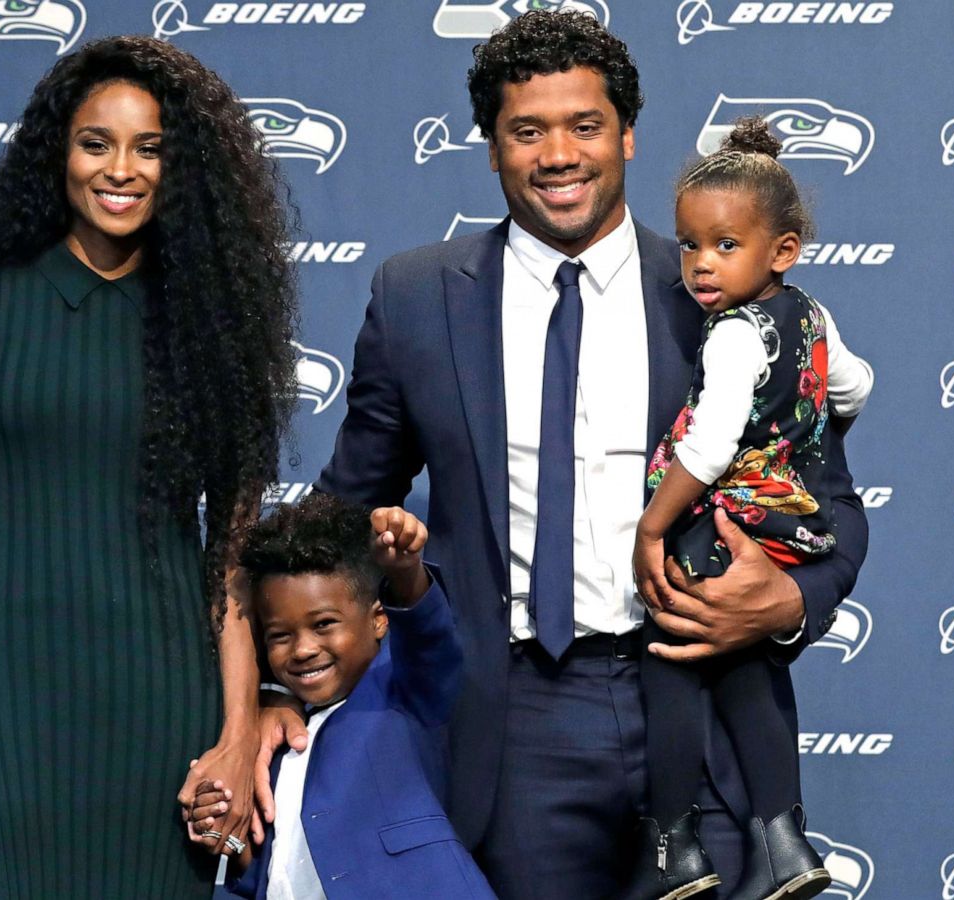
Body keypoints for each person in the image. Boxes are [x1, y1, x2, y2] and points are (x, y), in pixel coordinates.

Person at [303, 11, 869, 899]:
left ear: (629, 137)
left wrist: (787, 603)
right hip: (516, 722)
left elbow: (834, 504)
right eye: (527, 131)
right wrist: (266, 691)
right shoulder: (415, 297)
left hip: (703, 698)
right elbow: (337, 513)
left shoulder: (723, 292)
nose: (558, 154)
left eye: (585, 126)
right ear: (492, 148)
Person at [0, 36, 296, 898]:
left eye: (151, 148)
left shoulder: (213, 327)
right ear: (56, 153)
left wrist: (234, 727)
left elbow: (228, 564)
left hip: (160, 715)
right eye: (96, 142)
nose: (123, 169)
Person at [628, 117, 873, 900]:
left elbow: (706, 446)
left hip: (720, 524)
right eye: (690, 245)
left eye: (725, 246)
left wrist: (654, 524)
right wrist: (808, 413)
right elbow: (854, 387)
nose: (700, 265)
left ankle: (674, 845)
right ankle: (782, 840)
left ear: (782, 249)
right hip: (786, 524)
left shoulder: (732, 334)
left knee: (669, 663)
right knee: (749, 669)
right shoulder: (811, 314)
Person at [189, 495, 495, 899]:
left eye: (324, 624)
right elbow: (266, 871)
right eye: (280, 635)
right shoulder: (271, 745)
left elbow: (429, 638)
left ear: (379, 618)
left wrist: (405, 572)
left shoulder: (403, 692)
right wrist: (227, 832)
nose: (302, 649)